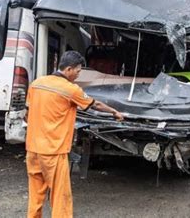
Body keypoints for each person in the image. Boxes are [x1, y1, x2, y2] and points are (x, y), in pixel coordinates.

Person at [25, 50, 124, 218]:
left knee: (35, 194)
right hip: (53, 151)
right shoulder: (70, 89)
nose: (78, 75)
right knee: (60, 196)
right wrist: (115, 112)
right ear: (69, 69)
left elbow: (28, 112)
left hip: (33, 149)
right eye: (78, 71)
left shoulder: (37, 83)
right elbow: (96, 105)